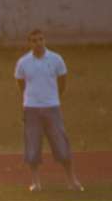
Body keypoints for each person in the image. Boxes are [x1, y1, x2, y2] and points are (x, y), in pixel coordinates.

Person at [16, 29, 85, 192]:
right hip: (31, 109)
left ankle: (72, 180)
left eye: (40, 39)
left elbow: (62, 81)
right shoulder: (23, 62)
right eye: (34, 40)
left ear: (44, 40)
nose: (38, 43)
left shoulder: (56, 59)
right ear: (29, 43)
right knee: (32, 146)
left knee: (61, 143)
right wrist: (31, 99)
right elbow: (20, 83)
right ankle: (36, 182)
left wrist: (53, 97)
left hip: (52, 107)